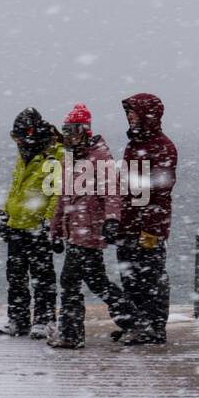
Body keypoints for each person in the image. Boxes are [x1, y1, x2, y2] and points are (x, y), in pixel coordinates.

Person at [47, 104, 133, 349]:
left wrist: (112, 220)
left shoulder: (99, 156)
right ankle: (133, 320)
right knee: (97, 281)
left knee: (70, 281)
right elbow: (63, 198)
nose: (69, 136)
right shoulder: (71, 158)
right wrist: (55, 231)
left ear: (85, 130)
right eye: (66, 131)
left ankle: (71, 334)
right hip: (76, 231)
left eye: (72, 130)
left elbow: (112, 192)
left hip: (89, 231)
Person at [115, 93, 177, 345]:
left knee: (151, 278)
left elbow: (161, 192)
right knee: (130, 277)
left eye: (134, 112)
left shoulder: (162, 146)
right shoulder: (134, 144)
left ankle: (154, 326)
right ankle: (136, 323)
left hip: (147, 225)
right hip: (128, 223)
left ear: (147, 115)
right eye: (128, 112)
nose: (129, 116)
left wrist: (151, 228)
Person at [0, 108, 63, 338]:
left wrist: (49, 223)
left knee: (42, 276)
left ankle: (44, 319)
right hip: (17, 224)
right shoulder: (25, 152)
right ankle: (18, 319)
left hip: (38, 227)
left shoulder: (53, 155)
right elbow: (16, 187)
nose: (16, 142)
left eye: (18, 137)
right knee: (15, 275)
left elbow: (56, 193)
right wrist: (7, 215)